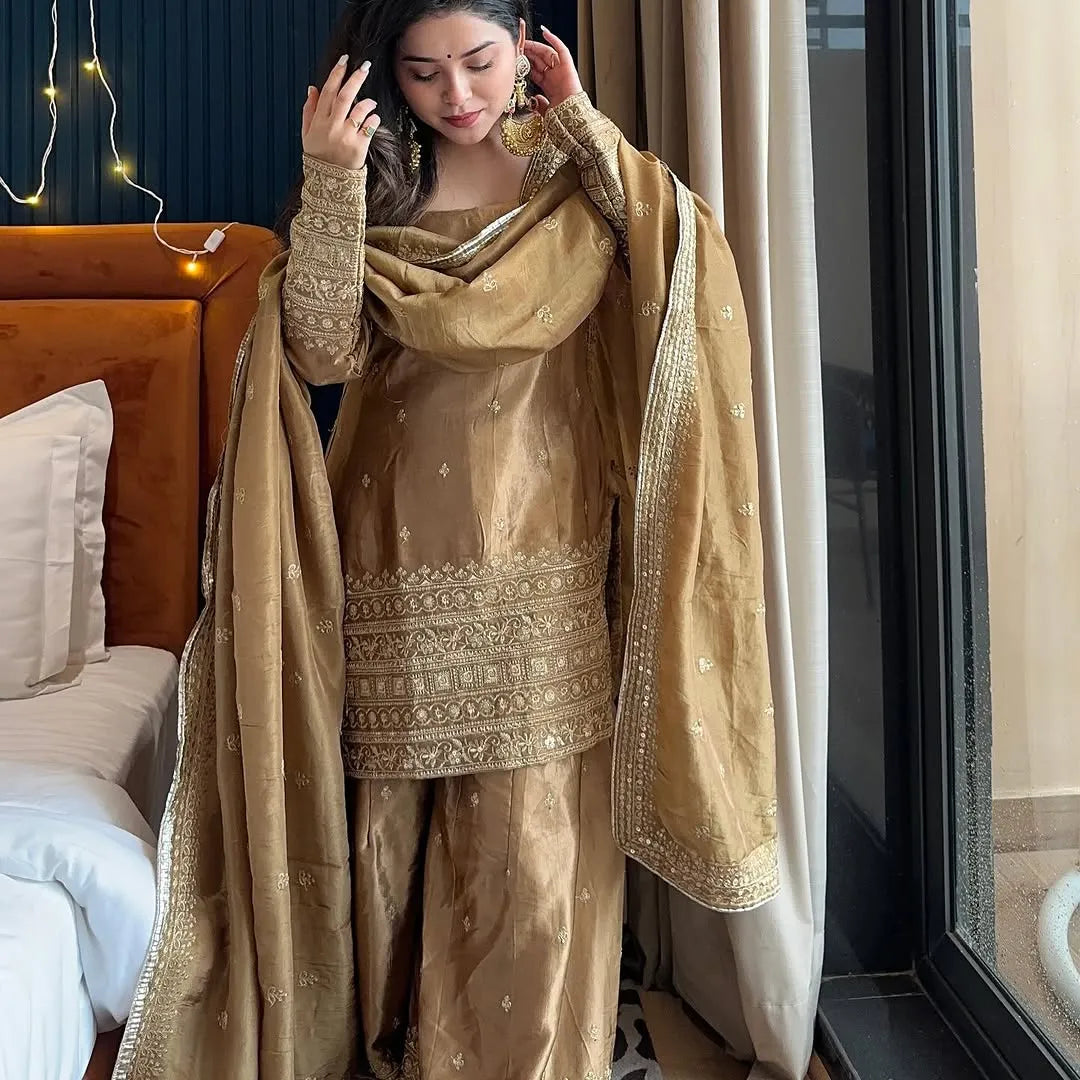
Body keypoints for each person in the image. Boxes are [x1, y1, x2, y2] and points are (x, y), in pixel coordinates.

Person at [114, 3, 778, 1079]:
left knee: (537, 836)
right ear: (388, 78)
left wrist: (590, 132)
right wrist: (327, 176)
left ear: (523, 41)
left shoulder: (573, 172)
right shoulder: (377, 179)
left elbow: (680, 269)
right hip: (394, 552)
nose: (458, 97)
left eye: (477, 62)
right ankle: (396, 1049)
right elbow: (323, 356)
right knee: (394, 836)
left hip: (548, 546)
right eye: (423, 75)